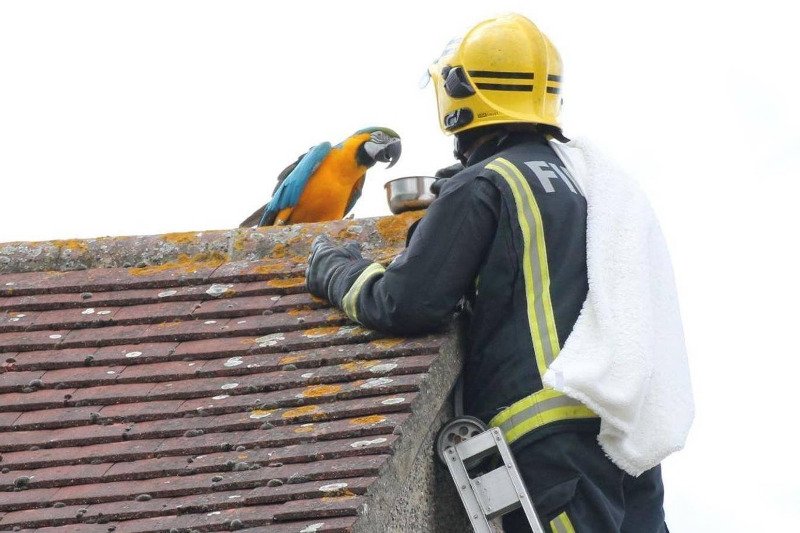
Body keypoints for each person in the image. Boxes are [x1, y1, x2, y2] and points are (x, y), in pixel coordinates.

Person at [306, 14, 669, 532]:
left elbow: (406, 301)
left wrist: (335, 269)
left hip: (549, 445)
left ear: (458, 94)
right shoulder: (586, 180)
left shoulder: (486, 184)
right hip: (627, 445)